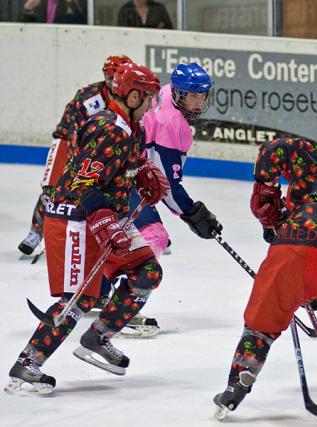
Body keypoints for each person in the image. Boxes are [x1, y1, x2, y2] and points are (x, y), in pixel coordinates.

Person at [5, 62, 167, 396]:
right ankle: (28, 362)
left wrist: (142, 175)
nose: (152, 104)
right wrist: (106, 221)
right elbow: (83, 182)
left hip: (107, 216)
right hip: (74, 217)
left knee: (147, 272)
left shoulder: (133, 129)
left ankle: (99, 336)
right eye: (149, 97)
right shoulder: (106, 127)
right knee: (78, 298)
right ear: (133, 95)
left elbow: (123, 168)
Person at [212, 122, 317, 420]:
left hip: (293, 243)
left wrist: (268, 201)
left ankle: (236, 384)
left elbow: (272, 149)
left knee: (260, 327)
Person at [96, 63, 223, 334]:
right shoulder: (170, 124)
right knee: (154, 236)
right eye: (192, 95)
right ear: (178, 94)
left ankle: (100, 292)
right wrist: (192, 213)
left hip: (114, 171)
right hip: (124, 179)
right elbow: (165, 184)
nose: (198, 101)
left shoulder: (164, 93)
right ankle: (123, 309)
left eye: (202, 95)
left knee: (125, 235)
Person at [18, 55, 132, 256]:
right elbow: (71, 130)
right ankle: (35, 232)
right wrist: (70, 160)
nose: (113, 84)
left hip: (100, 154)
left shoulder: (130, 102)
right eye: (110, 78)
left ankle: (141, 229)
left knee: (119, 189)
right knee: (51, 189)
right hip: (69, 147)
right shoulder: (88, 98)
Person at [21, 0, 86, 24]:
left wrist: (71, 3)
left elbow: (82, 24)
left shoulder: (69, 3)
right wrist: (27, 9)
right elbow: (22, 26)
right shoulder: (37, 2)